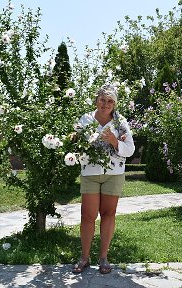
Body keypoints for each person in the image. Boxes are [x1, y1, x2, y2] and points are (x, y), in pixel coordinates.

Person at [72, 84, 135, 274]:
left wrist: (115, 142)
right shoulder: (86, 120)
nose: (105, 104)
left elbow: (130, 150)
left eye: (110, 101)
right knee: (87, 216)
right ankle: (84, 257)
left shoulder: (120, 123)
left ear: (115, 104)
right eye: (102, 99)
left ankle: (103, 258)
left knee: (108, 215)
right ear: (96, 100)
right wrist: (78, 139)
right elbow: (75, 142)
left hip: (113, 174)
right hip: (90, 173)